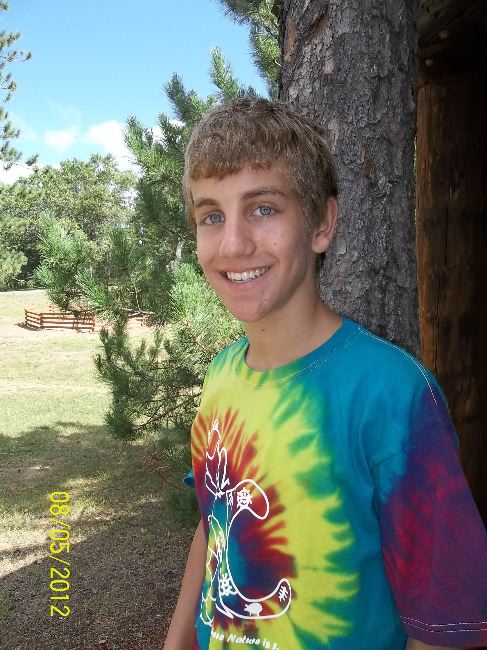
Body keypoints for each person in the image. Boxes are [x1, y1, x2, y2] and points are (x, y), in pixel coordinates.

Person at [163, 98, 487, 650]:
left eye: (263, 208)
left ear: (321, 224)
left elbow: (446, 625)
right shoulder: (220, 378)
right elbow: (211, 528)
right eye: (211, 216)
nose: (234, 243)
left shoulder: (392, 395)